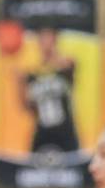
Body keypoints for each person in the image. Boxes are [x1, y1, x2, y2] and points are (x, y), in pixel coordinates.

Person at [20, 26, 80, 154]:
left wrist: (51, 55)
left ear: (55, 40)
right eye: (42, 39)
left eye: (49, 38)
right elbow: (28, 107)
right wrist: (20, 85)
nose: (46, 43)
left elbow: (70, 64)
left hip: (65, 129)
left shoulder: (64, 68)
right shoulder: (32, 76)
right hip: (42, 130)